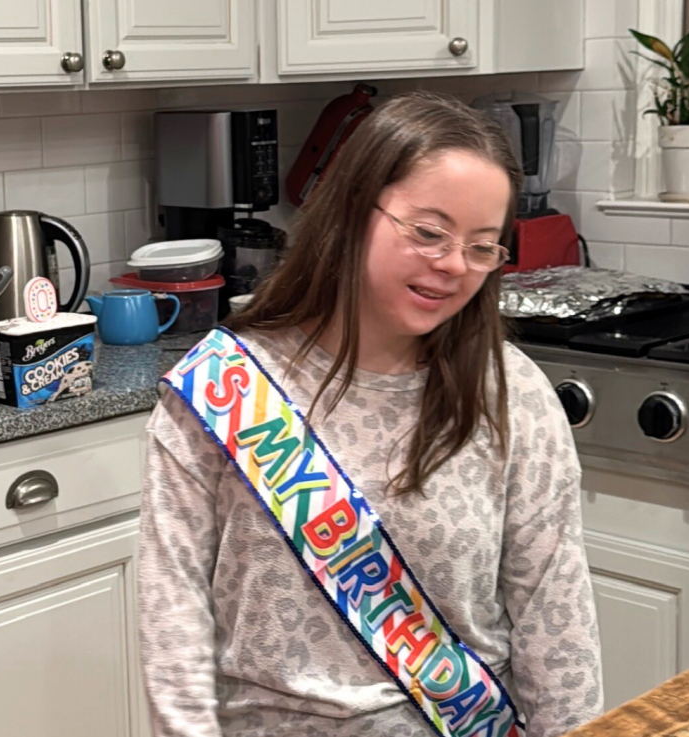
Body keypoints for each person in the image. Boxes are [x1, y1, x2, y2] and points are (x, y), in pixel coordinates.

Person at [137, 92, 604, 737]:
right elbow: (174, 621)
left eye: (481, 247)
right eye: (429, 232)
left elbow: (557, 622)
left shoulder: (510, 393)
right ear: (354, 210)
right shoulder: (223, 388)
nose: (451, 266)